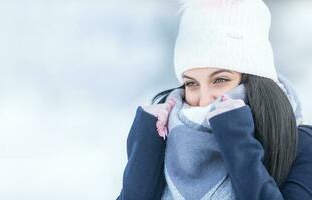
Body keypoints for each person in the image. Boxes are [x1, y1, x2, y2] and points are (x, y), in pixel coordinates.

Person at [116, 0, 312, 199]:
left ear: (255, 81)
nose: (203, 100)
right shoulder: (167, 140)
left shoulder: (302, 145)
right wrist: (145, 142)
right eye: (191, 84)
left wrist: (237, 139)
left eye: (220, 80)